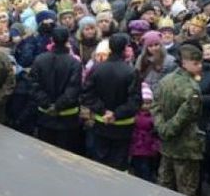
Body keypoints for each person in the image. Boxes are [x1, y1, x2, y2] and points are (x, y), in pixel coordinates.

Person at [152, 43, 205, 196]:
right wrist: (169, 129)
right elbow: (187, 114)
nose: (199, 66)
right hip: (185, 145)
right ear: (184, 63)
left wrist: (162, 126)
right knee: (186, 188)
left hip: (167, 143)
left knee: (164, 184)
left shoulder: (165, 80)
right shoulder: (191, 87)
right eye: (195, 63)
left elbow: (155, 107)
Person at [82, 33, 141, 171]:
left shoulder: (97, 69)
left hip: (101, 124)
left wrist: (104, 111)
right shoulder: (131, 72)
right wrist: (116, 114)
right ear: (125, 49)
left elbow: (87, 95)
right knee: (119, 166)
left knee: (99, 164)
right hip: (123, 127)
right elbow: (135, 101)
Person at [29, 25, 83, 154]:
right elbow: (73, 90)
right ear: (67, 41)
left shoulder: (40, 60)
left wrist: (48, 104)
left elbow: (33, 86)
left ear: (52, 40)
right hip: (68, 119)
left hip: (45, 116)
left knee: (45, 154)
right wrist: (58, 106)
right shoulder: (74, 63)